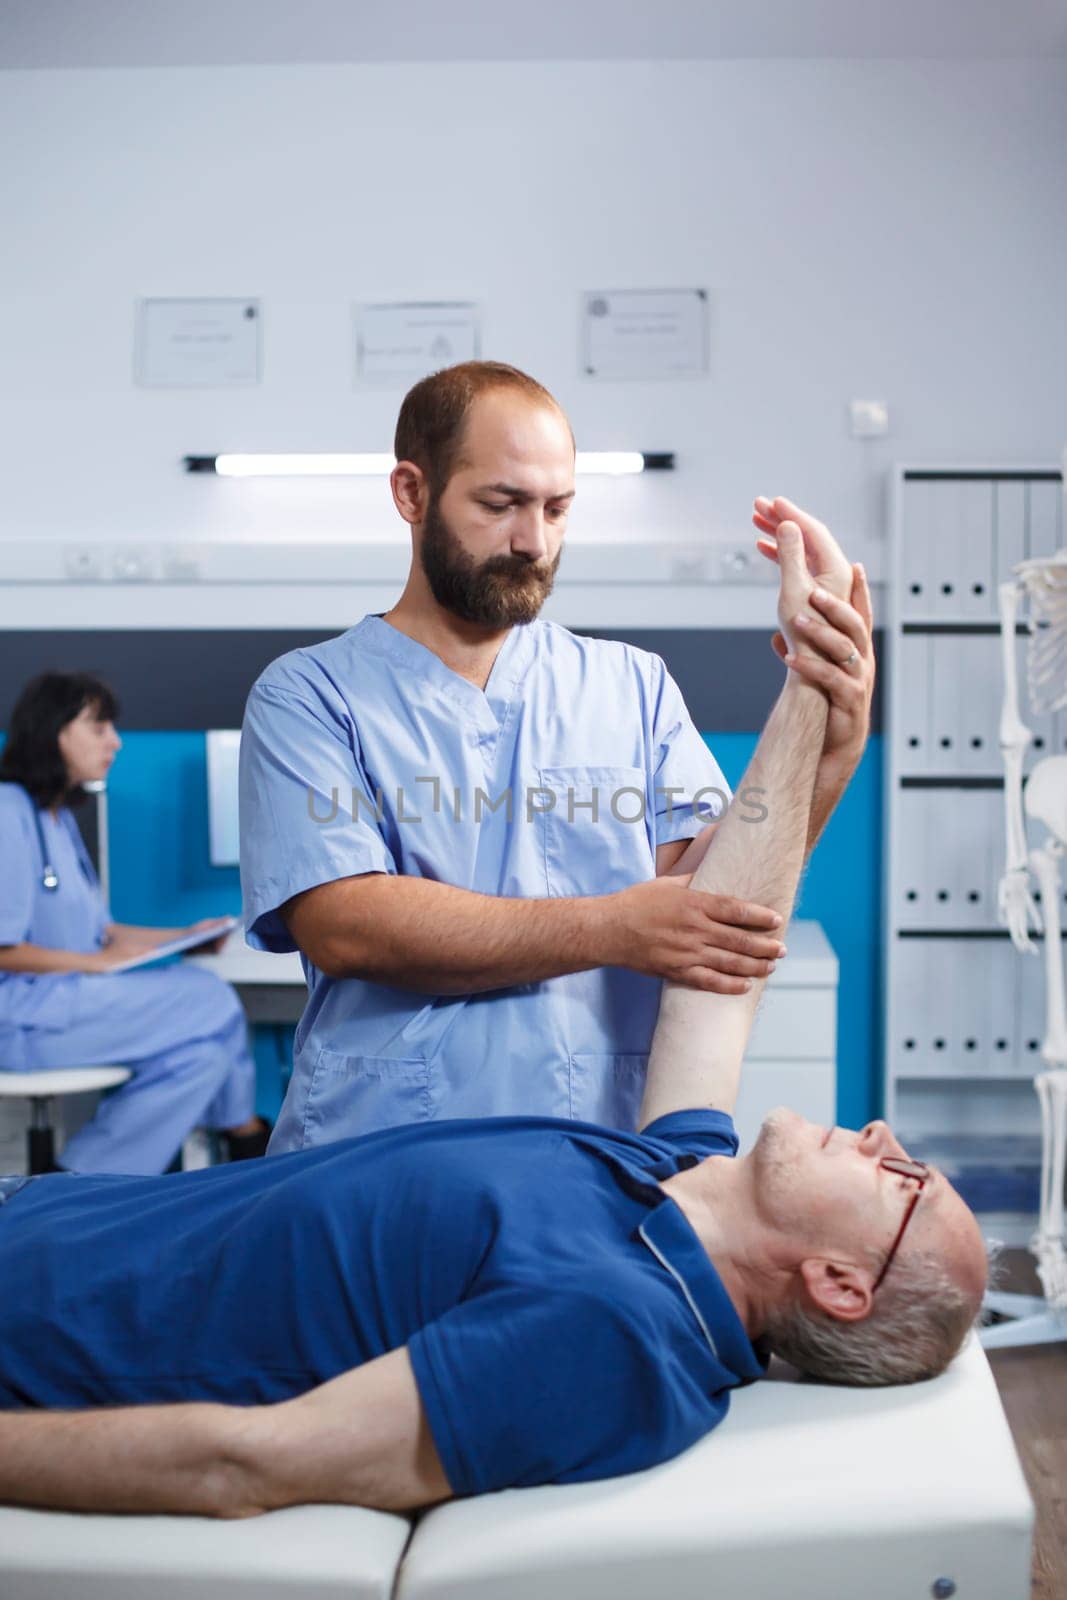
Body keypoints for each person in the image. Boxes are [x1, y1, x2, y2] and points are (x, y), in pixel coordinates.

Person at [0, 518, 984, 1522]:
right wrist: (818, 710)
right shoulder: (669, 1178)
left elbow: (243, 1465)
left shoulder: (622, 1329)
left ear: (836, 1285)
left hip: (42, 1320)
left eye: (902, 1177)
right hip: (43, 1223)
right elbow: (718, 962)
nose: (881, 1136)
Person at [239, 360, 876, 1153]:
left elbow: (719, 896)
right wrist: (611, 926)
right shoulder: (309, 695)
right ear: (411, 492)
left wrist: (828, 740)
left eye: (556, 507)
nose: (532, 541)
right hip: (384, 1160)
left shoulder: (629, 686)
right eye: (500, 504)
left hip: (602, 1153)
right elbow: (348, 927)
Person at [0, 671, 270, 1173]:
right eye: (99, 727)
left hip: (62, 1004)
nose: (115, 741)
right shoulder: (7, 811)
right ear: (54, 730)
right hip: (22, 1015)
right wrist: (96, 965)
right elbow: (5, 948)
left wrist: (185, 937)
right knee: (210, 998)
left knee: (202, 1061)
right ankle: (248, 1142)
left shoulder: (54, 818)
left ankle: (72, 1182)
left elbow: (104, 932)